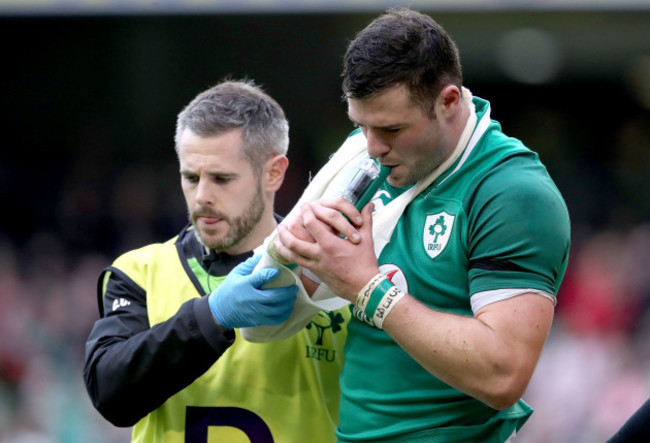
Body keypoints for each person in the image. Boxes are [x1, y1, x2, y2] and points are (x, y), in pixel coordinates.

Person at [252, 8, 571, 442]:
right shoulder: (365, 159)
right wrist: (302, 263)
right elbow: (294, 300)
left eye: (392, 128)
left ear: (450, 102)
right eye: (360, 126)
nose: (373, 147)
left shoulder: (512, 192)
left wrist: (369, 290)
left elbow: (503, 375)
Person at [82, 79, 350, 442]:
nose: (202, 196)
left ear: (274, 173)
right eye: (191, 177)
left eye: (222, 179)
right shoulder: (140, 271)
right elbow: (110, 394)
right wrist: (211, 317)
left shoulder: (337, 270)